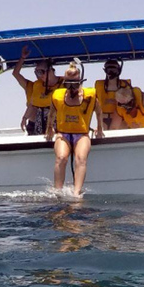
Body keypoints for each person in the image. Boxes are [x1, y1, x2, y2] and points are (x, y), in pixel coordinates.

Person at [46, 62, 105, 197]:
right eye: (68, 85)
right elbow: (51, 113)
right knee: (61, 157)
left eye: (75, 84)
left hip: (82, 134)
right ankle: (58, 191)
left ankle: (77, 193)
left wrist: (100, 128)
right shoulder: (58, 96)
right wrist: (49, 128)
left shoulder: (90, 96)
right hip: (63, 134)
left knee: (81, 158)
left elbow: (99, 112)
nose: (72, 88)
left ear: (80, 82)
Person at [12, 45, 63, 135]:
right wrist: (24, 118)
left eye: (41, 72)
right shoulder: (37, 85)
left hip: (58, 124)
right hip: (39, 124)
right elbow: (32, 105)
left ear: (50, 70)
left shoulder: (64, 83)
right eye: (36, 72)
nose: (39, 76)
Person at [94, 59, 131, 130]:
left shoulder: (125, 84)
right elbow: (95, 105)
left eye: (114, 70)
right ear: (105, 71)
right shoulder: (99, 85)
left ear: (119, 70)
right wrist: (99, 125)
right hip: (103, 118)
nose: (111, 72)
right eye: (109, 70)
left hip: (121, 119)